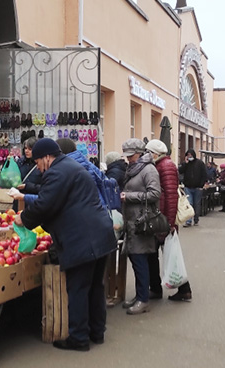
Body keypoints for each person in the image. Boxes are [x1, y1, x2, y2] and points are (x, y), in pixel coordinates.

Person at [15, 138, 117, 351]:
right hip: (99, 234)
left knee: (78, 288)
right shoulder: (71, 166)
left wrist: (24, 218)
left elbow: (45, 204)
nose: (38, 167)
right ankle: (97, 332)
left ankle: (78, 338)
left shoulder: (57, 172)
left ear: (46, 157)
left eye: (38, 162)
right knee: (95, 287)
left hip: (83, 238)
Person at [145, 139, 192, 302]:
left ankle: (165, 289)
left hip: (163, 219)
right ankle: (175, 288)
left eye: (148, 152)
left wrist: (170, 223)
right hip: (162, 218)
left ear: (155, 153)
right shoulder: (163, 165)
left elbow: (171, 196)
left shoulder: (165, 166)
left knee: (161, 254)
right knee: (165, 254)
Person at [120, 138, 161, 315]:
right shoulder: (133, 168)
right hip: (132, 221)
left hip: (142, 222)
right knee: (136, 260)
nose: (129, 159)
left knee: (139, 259)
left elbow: (155, 194)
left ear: (140, 153)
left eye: (131, 155)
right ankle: (140, 295)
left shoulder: (149, 169)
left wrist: (129, 196)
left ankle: (143, 299)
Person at [12, 137, 42, 212]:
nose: (26, 151)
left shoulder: (41, 165)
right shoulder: (20, 162)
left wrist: (27, 186)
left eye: (30, 149)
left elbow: (44, 188)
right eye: (25, 148)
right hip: (19, 200)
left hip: (34, 201)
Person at [178, 149, 208, 226]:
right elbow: (180, 171)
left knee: (196, 204)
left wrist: (201, 185)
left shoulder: (200, 163)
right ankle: (188, 221)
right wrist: (185, 163)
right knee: (189, 203)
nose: (189, 156)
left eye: (190, 155)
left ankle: (196, 219)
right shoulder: (186, 164)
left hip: (198, 187)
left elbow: (204, 174)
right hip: (188, 187)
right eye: (188, 155)